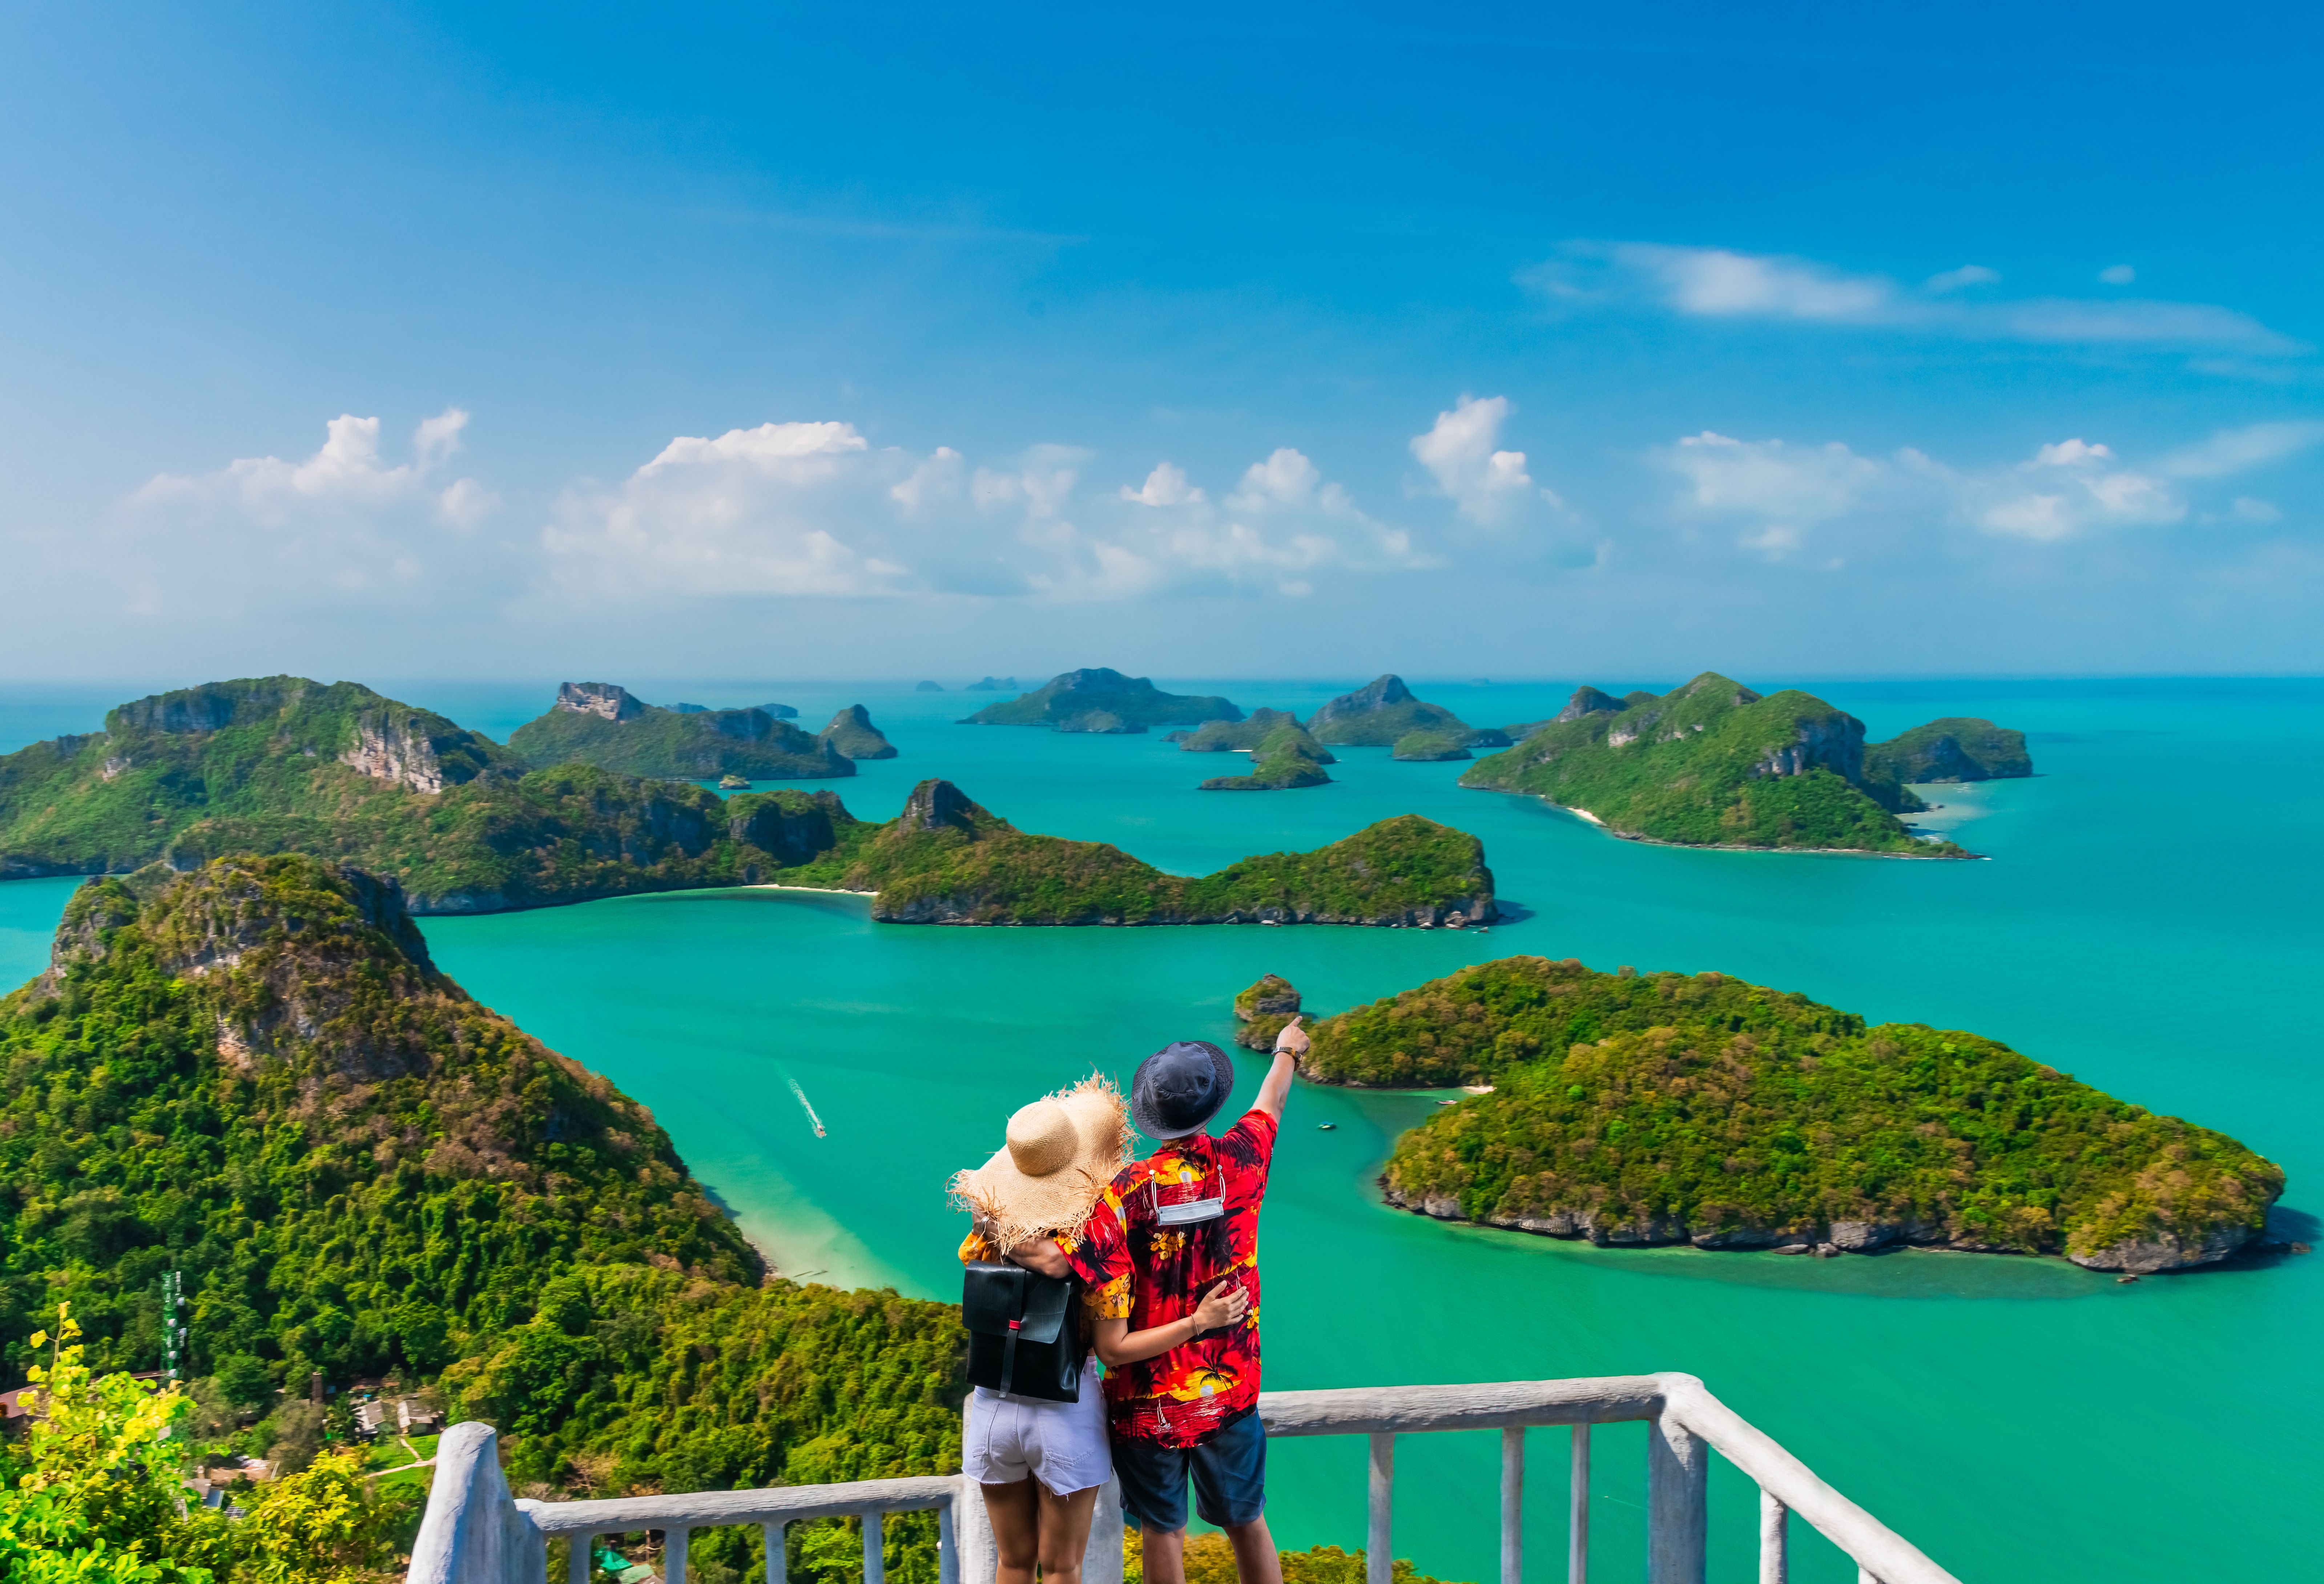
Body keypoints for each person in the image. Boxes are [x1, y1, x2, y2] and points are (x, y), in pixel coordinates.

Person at [1012, 1017, 1309, 1584]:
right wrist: (1286, 1050)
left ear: (1152, 1118)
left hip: (1146, 1403)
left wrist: (997, 1226)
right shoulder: (1242, 1161)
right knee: (1248, 1522)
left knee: (1162, 1531)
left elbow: (1056, 1261)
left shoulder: (1125, 1192)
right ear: (1210, 1106)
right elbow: (1271, 1103)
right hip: (1229, 1388)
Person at [951, 1078, 1131, 1584]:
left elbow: (976, 1256)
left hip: (993, 1403)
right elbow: (1094, 1319)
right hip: (1064, 1410)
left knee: (1012, 1562)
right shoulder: (1095, 1240)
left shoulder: (987, 1234)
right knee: (1061, 1567)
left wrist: (999, 1227)